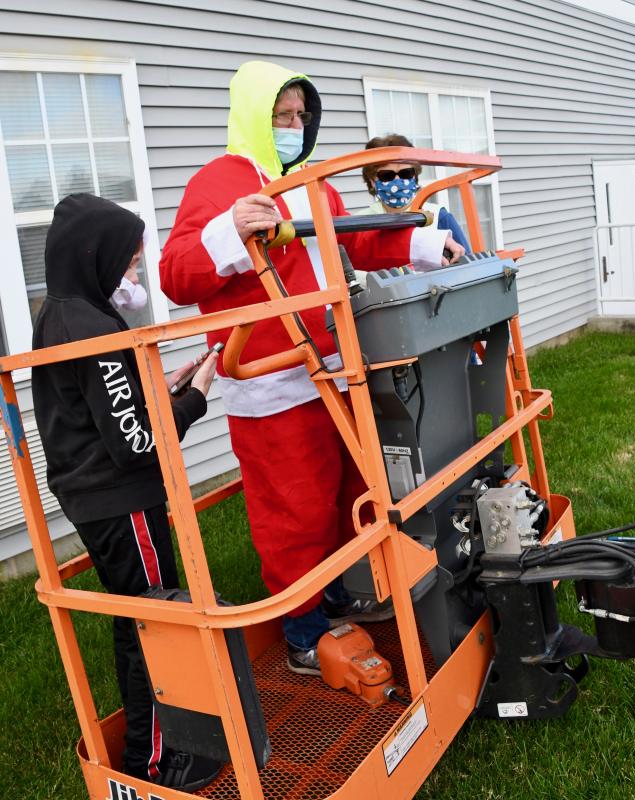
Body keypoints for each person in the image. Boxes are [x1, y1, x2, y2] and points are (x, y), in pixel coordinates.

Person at [159, 60, 465, 677]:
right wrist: (229, 233)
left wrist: (429, 245)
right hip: (269, 381)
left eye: (302, 115)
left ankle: (337, 591)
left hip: (331, 364)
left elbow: (355, 240)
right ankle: (301, 631)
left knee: (349, 492)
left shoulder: (316, 184)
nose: (295, 126)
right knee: (293, 510)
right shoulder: (217, 183)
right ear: (254, 115)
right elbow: (175, 274)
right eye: (282, 116)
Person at [31, 193, 221, 792]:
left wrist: (159, 384)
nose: (134, 275)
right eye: (130, 263)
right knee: (155, 622)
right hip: (121, 499)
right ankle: (156, 762)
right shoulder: (94, 329)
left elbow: (99, 409)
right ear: (99, 258)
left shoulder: (60, 312)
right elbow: (137, 443)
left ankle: (148, 751)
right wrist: (195, 399)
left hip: (95, 496)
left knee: (135, 620)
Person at [360, 133, 471, 253]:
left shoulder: (439, 216)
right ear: (372, 181)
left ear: (415, 176)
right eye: (387, 175)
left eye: (405, 173)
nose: (397, 181)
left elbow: (467, 263)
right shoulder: (360, 223)